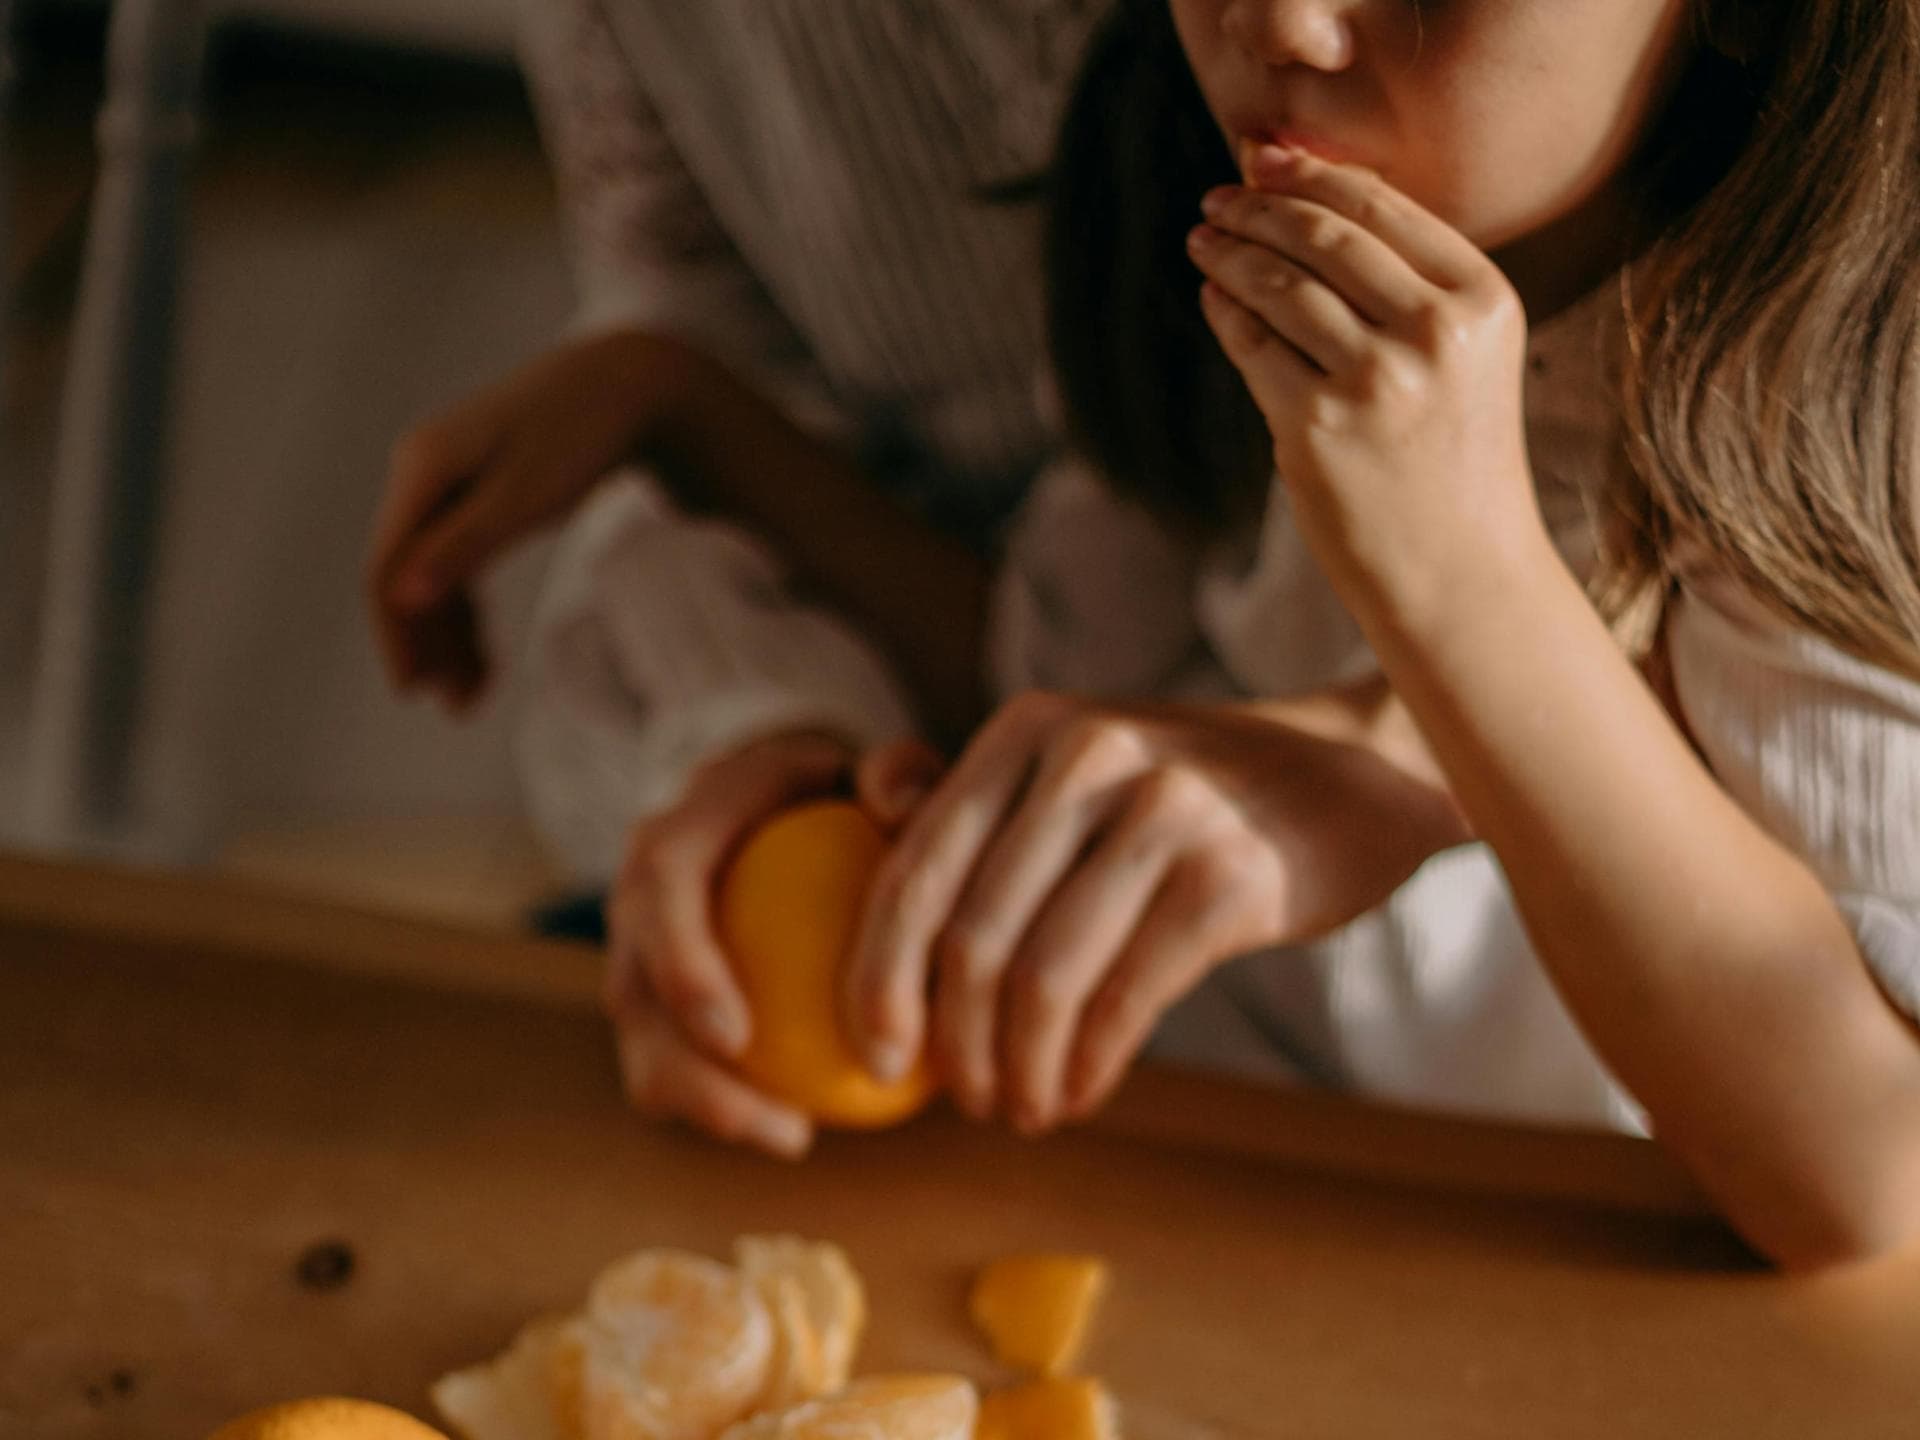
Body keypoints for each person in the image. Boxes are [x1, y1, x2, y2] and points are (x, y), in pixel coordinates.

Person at [825, 0, 1920, 1270]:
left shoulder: (1842, 416)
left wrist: (1456, 584)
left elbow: (1872, 1177)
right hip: (1205, 1185)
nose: (1276, 20)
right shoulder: (1182, 188)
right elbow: (1052, 674)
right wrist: (677, 406)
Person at [364, 2, 1110, 1159]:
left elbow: (1134, 666)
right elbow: (690, 306)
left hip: (1233, 966)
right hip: (888, 783)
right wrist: (773, 721)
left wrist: (676, 413)